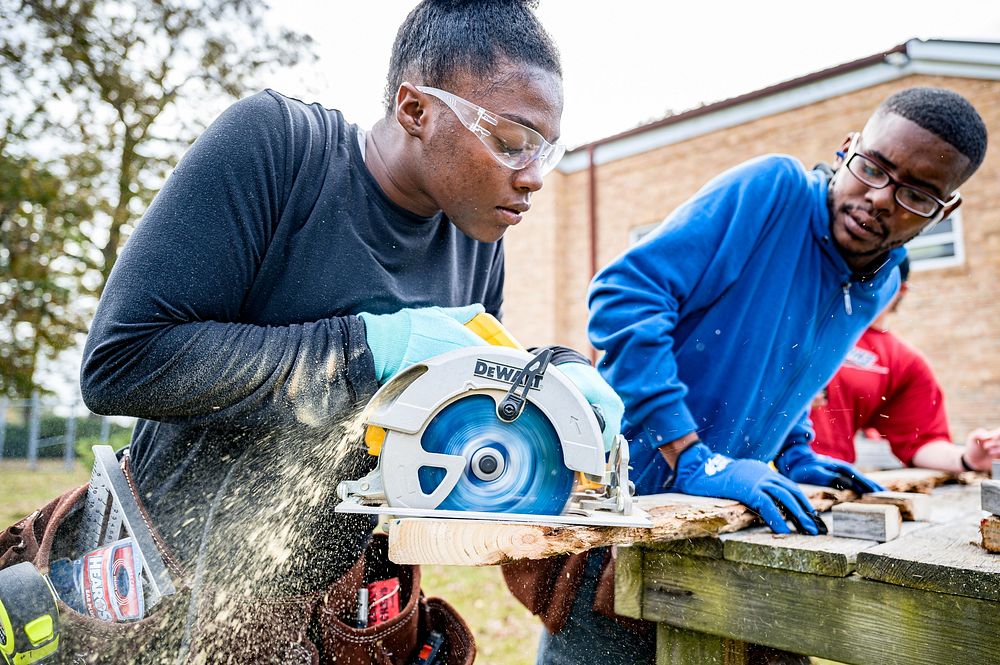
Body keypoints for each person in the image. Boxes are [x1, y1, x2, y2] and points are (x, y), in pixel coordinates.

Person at [77, 1, 622, 661]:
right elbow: (122, 360)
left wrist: (551, 383)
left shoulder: (476, 234)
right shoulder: (279, 149)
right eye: (511, 140)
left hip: (347, 610)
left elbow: (449, 419)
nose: (534, 175)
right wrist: (371, 350)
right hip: (173, 595)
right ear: (415, 109)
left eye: (546, 148)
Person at [531, 87, 987, 665]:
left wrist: (795, 449)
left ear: (943, 211)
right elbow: (625, 299)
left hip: (727, 528)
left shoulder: (883, 277)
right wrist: (692, 455)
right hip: (626, 520)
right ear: (848, 149)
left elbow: (793, 359)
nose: (879, 199)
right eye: (872, 168)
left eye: (916, 195)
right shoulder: (771, 194)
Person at [811, 257, 1000, 473]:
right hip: (768, 466)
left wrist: (968, 459)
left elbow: (921, 441)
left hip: (822, 483)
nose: (862, 283)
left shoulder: (902, 362)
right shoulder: (800, 326)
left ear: (901, 290)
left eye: (876, 276)